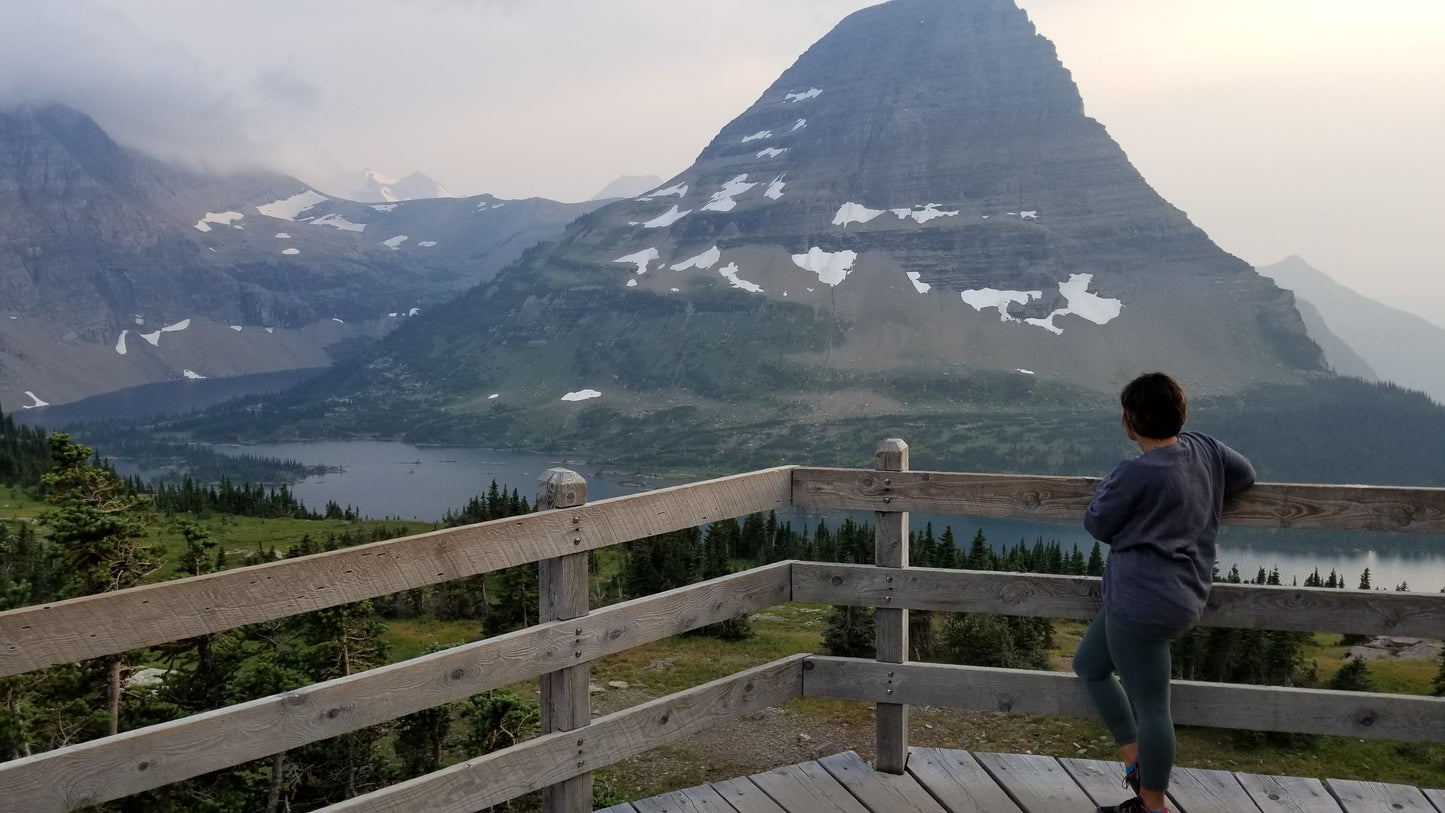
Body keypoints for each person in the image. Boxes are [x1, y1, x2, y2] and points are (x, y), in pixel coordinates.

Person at [1074, 372, 1256, 813]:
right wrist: (1200, 496)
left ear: (1130, 423)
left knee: (1153, 705)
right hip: (1182, 594)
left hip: (1140, 604)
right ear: (1180, 413)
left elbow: (1097, 523)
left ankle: (1151, 805)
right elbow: (1245, 475)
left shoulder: (1134, 473)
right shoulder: (1206, 450)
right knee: (1089, 666)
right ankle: (1135, 758)